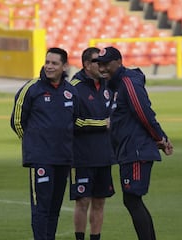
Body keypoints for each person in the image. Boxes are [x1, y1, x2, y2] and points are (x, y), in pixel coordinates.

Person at [92, 46, 174, 240]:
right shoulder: (114, 85)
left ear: (119, 62)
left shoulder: (128, 83)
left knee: (132, 199)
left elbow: (143, 112)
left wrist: (159, 138)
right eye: (99, 65)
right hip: (127, 150)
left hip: (136, 150)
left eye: (105, 64)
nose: (102, 68)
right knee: (131, 200)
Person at [10, 47, 78, 240]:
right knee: (41, 207)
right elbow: (16, 121)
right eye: (47, 62)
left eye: (54, 63)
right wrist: (33, 144)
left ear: (64, 66)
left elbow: (75, 120)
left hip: (63, 158)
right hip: (41, 158)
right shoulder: (32, 88)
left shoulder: (71, 92)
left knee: (54, 207)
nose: (49, 66)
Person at [69, 47, 115, 240]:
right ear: (87, 64)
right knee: (82, 201)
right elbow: (72, 121)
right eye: (98, 62)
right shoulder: (74, 87)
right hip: (82, 156)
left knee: (100, 202)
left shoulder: (108, 84)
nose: (102, 66)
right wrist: (102, 124)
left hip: (104, 154)